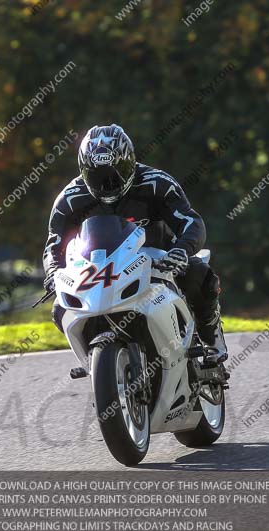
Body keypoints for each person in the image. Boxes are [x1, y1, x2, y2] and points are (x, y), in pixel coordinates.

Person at [42, 124, 227, 363]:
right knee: (60, 307)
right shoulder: (70, 198)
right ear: (83, 170)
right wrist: (53, 271)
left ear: (131, 161)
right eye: (97, 176)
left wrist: (182, 250)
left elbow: (192, 221)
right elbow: (53, 244)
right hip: (97, 268)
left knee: (198, 273)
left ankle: (211, 338)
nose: (109, 184)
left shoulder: (156, 182)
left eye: (117, 172)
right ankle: (92, 358)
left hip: (157, 259)